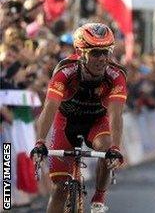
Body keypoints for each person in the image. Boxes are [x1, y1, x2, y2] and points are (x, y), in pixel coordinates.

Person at [30, 23, 126, 213]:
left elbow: (115, 114)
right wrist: (40, 142)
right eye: (96, 53)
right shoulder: (65, 71)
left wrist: (115, 148)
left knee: (107, 149)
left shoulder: (116, 75)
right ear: (81, 53)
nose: (102, 59)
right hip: (66, 122)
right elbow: (50, 107)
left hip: (96, 123)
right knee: (59, 188)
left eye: (106, 52)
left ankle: (98, 199)